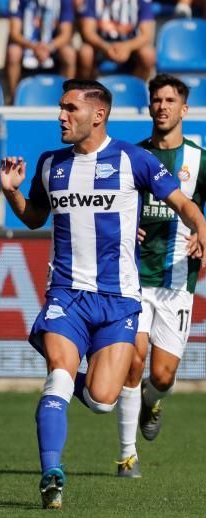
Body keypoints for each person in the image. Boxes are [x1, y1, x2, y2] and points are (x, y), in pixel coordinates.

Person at [0, 78, 206, 509]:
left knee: (101, 400)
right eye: (60, 107)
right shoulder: (50, 163)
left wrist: (201, 226)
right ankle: (51, 474)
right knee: (57, 374)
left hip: (118, 302)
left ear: (98, 115)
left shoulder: (135, 159)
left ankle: (85, 388)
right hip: (67, 295)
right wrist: (12, 194)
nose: (61, 115)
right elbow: (35, 218)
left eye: (70, 108)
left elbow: (183, 202)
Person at [113, 74, 206, 478]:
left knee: (162, 375)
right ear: (150, 107)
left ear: (184, 109)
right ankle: (127, 455)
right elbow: (113, 207)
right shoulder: (132, 157)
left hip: (178, 279)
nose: (163, 106)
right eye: (157, 100)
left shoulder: (199, 159)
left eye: (171, 100)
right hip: (134, 276)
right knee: (133, 360)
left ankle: (153, 400)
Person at [5, 0, 75, 102]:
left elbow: (66, 34)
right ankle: (14, 99)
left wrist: (48, 47)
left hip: (52, 47)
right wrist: (34, 47)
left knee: (69, 54)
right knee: (13, 52)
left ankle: (68, 100)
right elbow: (14, 33)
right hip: (27, 45)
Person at [78, 0, 155, 81]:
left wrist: (127, 47)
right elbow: (88, 33)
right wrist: (107, 47)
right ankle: (90, 88)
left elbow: (146, 35)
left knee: (148, 54)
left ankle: (135, 89)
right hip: (100, 45)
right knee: (85, 52)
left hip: (131, 45)